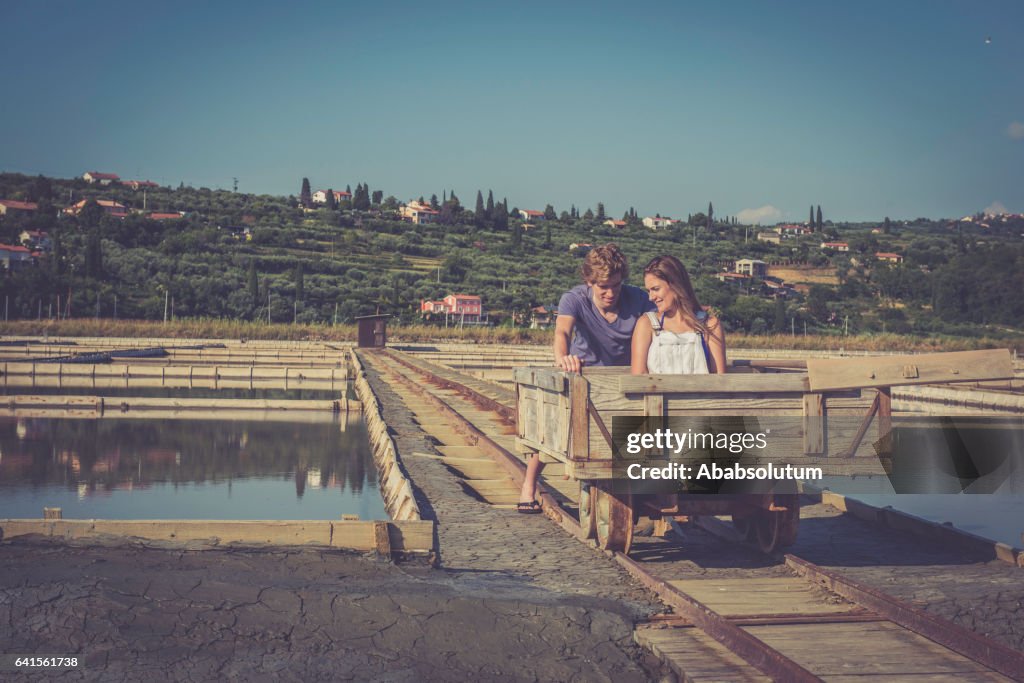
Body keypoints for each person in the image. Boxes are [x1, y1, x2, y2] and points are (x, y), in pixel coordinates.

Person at [517, 243, 654, 513]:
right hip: (584, 373)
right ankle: (529, 485)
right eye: (603, 286)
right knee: (555, 428)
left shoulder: (638, 299)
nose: (610, 292)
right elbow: (562, 333)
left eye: (616, 285)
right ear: (589, 281)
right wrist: (562, 357)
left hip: (626, 378)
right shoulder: (574, 299)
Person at [631, 255, 726, 376]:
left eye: (656, 289)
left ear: (675, 284)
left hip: (701, 395)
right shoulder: (646, 324)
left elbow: (719, 381)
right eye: (649, 291)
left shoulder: (710, 325)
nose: (651, 297)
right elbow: (638, 378)